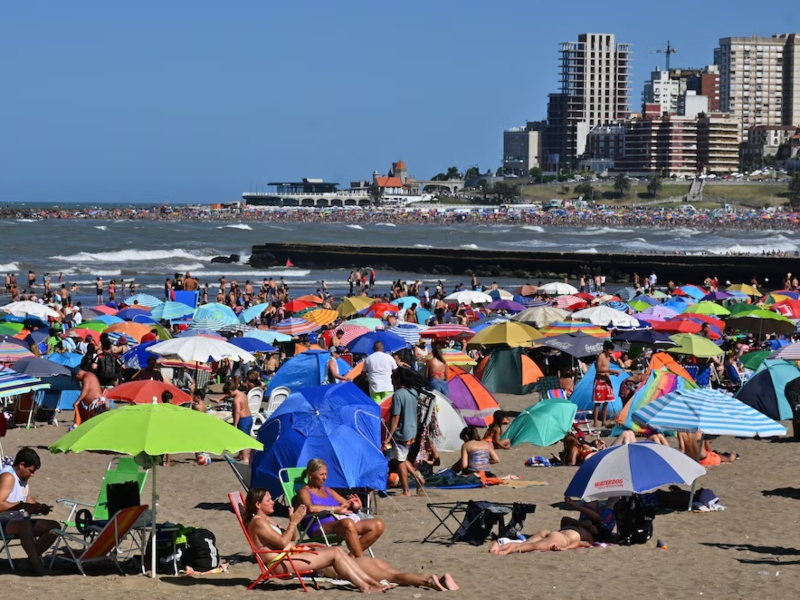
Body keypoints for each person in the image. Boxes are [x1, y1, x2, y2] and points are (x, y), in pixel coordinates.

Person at [244, 488, 458, 592]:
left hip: (299, 557)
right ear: (257, 505)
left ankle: (431, 578)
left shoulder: (265, 521)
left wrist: (291, 530)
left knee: (378, 564)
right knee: (340, 553)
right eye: (269, 500)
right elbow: (282, 544)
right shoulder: (257, 522)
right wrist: (293, 523)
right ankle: (368, 585)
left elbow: (287, 541)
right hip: (284, 565)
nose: (273, 502)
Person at [296, 459, 385, 558]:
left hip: (341, 523)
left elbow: (345, 504)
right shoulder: (304, 492)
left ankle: (352, 556)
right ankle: (361, 559)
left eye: (326, 474)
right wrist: (335, 509)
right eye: (321, 475)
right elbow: (311, 508)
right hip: (318, 526)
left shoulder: (328, 490)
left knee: (378, 524)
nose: (325, 478)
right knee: (348, 523)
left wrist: (355, 505)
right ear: (310, 474)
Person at [0, 447, 60, 574]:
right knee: (25, 525)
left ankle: (29, 562)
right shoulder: (8, 477)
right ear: (22, 465)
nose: (32, 475)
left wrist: (39, 507)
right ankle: (37, 566)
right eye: (31, 471)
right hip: (3, 520)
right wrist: (22, 506)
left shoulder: (23, 478)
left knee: (54, 527)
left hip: (18, 519)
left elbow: (27, 498)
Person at [490, 496, 616, 554]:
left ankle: (501, 545)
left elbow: (565, 520)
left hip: (551, 533)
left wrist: (583, 524)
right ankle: (504, 551)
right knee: (531, 546)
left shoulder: (586, 529)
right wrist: (566, 548)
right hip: (560, 538)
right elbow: (581, 544)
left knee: (526, 544)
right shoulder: (589, 536)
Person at [387, 367, 425, 497]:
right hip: (412, 431)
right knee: (402, 458)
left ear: (398, 379)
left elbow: (396, 417)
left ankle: (406, 490)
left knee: (399, 461)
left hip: (401, 432)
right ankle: (419, 479)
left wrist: (389, 436)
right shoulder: (413, 392)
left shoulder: (398, 394)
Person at [593, 341, 619, 428]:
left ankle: (604, 421)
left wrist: (613, 373)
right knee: (598, 403)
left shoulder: (609, 358)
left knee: (606, 402)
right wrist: (611, 371)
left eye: (612, 350)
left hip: (607, 381)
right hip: (600, 381)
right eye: (610, 350)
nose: (611, 352)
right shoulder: (601, 356)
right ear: (605, 349)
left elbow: (606, 370)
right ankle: (595, 421)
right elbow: (599, 370)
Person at [226, 381, 253, 463]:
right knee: (244, 437)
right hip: (249, 418)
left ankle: (245, 457)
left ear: (230, 391)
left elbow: (237, 411)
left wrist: (235, 424)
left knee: (242, 439)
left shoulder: (236, 399)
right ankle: (241, 454)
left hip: (242, 419)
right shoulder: (243, 394)